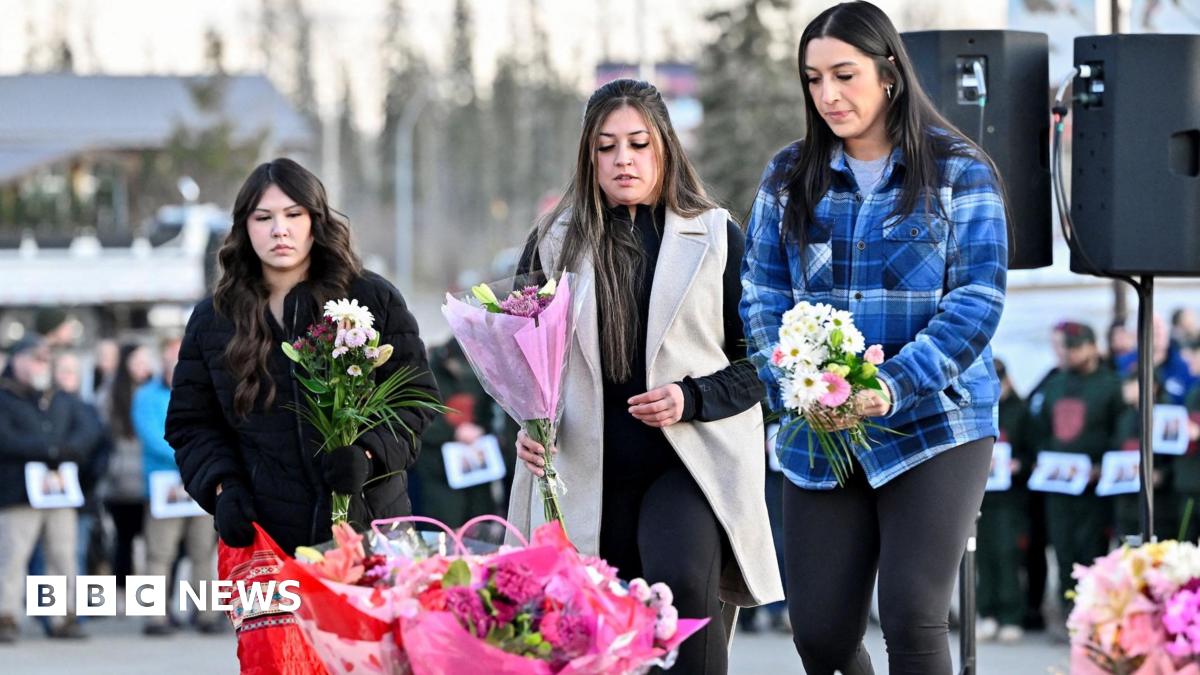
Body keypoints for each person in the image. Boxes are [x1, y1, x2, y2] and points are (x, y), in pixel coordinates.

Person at [739, 3, 1009, 672]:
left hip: (935, 422)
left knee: (913, 614)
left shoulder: (960, 172)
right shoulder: (786, 178)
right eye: (812, 79)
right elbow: (761, 295)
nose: (827, 95)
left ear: (889, 74)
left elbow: (977, 299)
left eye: (844, 74)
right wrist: (796, 387)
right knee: (822, 636)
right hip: (820, 424)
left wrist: (888, 387)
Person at [510, 78, 783, 674]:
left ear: (665, 147)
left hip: (689, 459)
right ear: (589, 156)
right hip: (584, 463)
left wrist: (693, 397)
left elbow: (765, 360)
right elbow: (522, 356)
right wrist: (528, 424)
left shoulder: (713, 235)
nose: (623, 159)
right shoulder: (554, 241)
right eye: (606, 147)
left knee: (684, 584)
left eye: (638, 143)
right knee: (593, 632)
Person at [165, 158, 439, 671]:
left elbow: (417, 397)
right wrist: (222, 489)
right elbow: (190, 423)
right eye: (263, 218)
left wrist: (369, 453)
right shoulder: (213, 318)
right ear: (244, 229)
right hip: (264, 537)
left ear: (316, 219)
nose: (279, 230)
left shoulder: (370, 296)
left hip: (368, 530)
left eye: (293, 214)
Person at [0, 335, 103, 643]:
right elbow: (5, 440)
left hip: (59, 492)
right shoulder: (5, 397)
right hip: (18, 492)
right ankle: (6, 617)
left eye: (44, 360)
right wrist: (51, 451)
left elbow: (89, 430)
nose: (39, 366)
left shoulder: (60, 397)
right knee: (13, 556)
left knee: (62, 555)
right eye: (34, 359)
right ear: (17, 360)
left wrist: (65, 451)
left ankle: (62, 617)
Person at [1028, 321, 1123, 638]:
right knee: (1063, 551)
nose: (1066, 353)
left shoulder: (1111, 385)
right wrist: (1041, 458)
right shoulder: (1054, 384)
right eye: (1061, 347)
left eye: (1073, 347)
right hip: (1058, 485)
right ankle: (1068, 616)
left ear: (1091, 346)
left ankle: (1094, 619)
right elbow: (1039, 428)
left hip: (1094, 489)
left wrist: (1103, 466)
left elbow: (1120, 433)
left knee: (1092, 553)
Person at [133, 336, 220, 636]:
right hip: (164, 483)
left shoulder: (203, 392)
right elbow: (152, 436)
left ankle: (207, 613)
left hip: (199, 481)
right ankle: (153, 615)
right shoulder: (146, 395)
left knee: (203, 552)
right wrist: (191, 455)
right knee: (159, 553)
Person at [976, 359, 1032, 644]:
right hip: (981, 495)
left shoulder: (1020, 412)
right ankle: (987, 613)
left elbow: (1034, 453)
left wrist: (1018, 465)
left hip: (1010, 499)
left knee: (1007, 555)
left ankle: (1011, 615)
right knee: (982, 556)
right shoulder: (981, 411)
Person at [101, 343, 154, 588]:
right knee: (124, 539)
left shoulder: (158, 391)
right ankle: (121, 589)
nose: (144, 368)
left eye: (146, 361)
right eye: (138, 362)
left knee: (157, 542)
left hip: (153, 477)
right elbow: (103, 434)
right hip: (121, 479)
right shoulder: (111, 393)